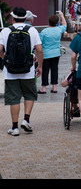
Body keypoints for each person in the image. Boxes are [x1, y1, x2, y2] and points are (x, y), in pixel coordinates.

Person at [0, 7, 43, 136]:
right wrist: (39, 66)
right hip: (28, 70)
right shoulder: (32, 30)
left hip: (10, 71)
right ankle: (26, 120)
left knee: (14, 99)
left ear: (12, 18)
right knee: (29, 95)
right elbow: (39, 50)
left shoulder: (5, 31)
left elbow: (0, 49)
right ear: (26, 18)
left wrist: (5, 58)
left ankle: (14, 127)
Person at [38, 11, 67, 94]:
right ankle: (54, 87)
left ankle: (43, 88)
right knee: (55, 69)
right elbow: (65, 25)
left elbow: (39, 43)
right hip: (56, 53)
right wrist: (61, 15)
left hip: (46, 54)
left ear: (49, 22)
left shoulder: (44, 31)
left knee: (45, 70)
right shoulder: (59, 29)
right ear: (57, 22)